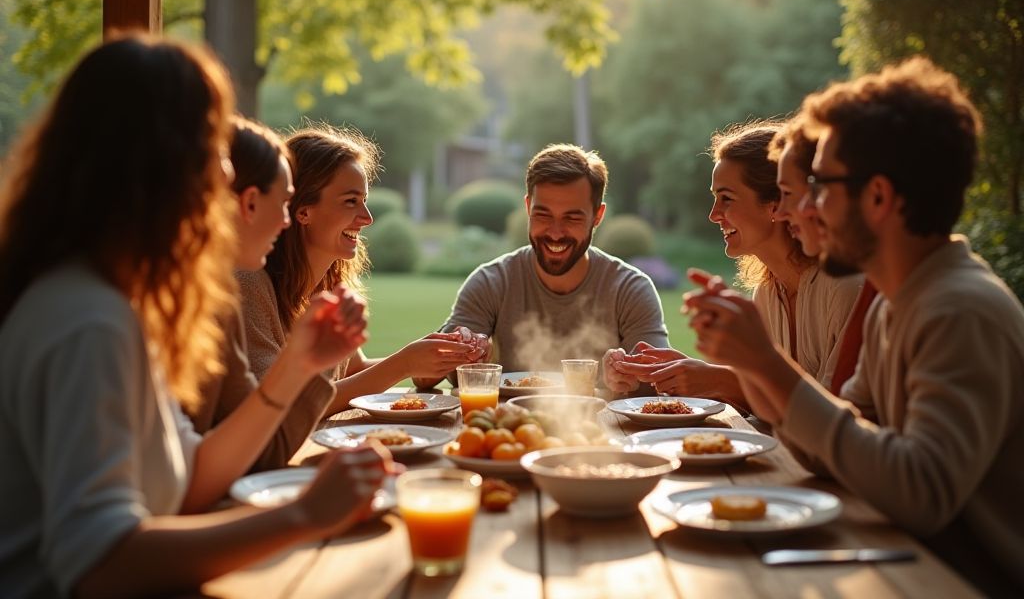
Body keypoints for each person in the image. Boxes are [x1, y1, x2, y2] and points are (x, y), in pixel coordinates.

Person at [0, 36, 392, 599]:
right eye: (214, 149)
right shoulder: (86, 319)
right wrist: (303, 515)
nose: (229, 172)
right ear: (162, 168)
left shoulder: (121, 306)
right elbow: (97, 562)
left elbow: (190, 478)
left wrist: (299, 364)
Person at [685, 57, 1024, 592]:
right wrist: (753, 367)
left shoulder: (961, 310)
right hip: (901, 564)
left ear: (879, 197)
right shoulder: (898, 305)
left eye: (821, 186)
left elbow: (923, 493)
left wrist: (769, 366)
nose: (806, 209)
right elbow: (832, 454)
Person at [606, 120, 862, 406]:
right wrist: (691, 374)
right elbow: (767, 402)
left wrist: (719, 380)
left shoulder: (843, 287)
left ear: (775, 204)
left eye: (726, 198)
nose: (714, 214)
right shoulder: (766, 293)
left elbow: (836, 417)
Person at [242, 123, 482, 412]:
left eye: (364, 201)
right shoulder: (250, 285)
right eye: (351, 201)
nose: (367, 218)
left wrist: (429, 360)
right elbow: (280, 408)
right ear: (303, 211)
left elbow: (353, 371)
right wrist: (402, 363)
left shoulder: (326, 287)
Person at [186, 117, 369, 470]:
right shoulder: (241, 287)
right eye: (284, 203)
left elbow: (266, 447)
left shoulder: (321, 286)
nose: (286, 220)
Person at [417, 143, 668, 388]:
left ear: (597, 216)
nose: (556, 234)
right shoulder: (491, 282)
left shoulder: (630, 289)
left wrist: (628, 378)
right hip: (510, 425)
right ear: (528, 207)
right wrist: (466, 356)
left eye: (572, 217)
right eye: (543, 215)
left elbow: (660, 381)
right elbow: (423, 377)